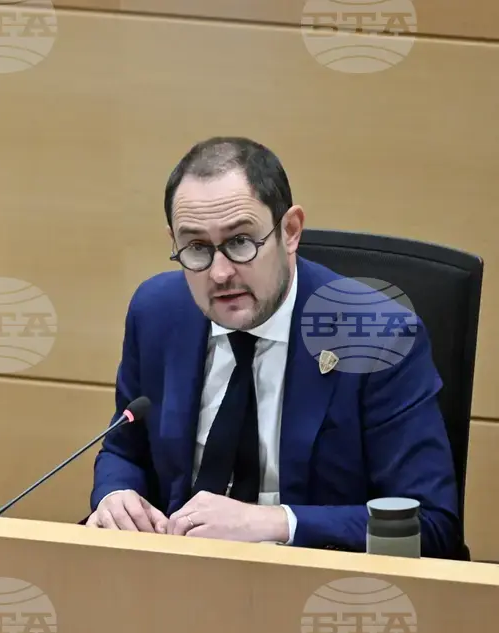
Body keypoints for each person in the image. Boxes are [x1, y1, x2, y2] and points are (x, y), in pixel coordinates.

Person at [87, 136, 463, 558]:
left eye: (240, 242)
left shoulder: (376, 336)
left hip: (319, 581)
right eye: (196, 248)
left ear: (290, 231)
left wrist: (276, 523)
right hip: (176, 571)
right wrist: (116, 494)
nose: (220, 273)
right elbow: (124, 450)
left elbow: (429, 524)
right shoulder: (157, 312)